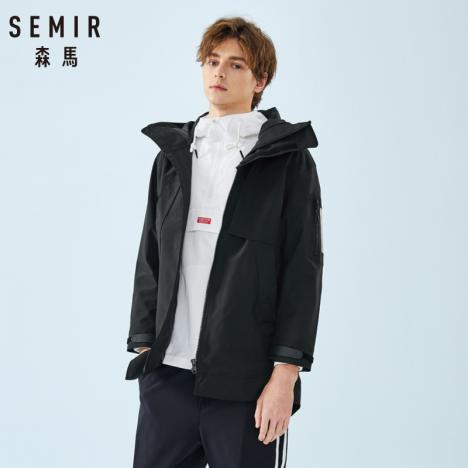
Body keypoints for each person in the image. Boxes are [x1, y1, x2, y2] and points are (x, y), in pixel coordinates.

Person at [125, 16, 323, 468]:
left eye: (236, 65)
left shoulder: (288, 160)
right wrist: (145, 346)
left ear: (260, 80)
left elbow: (303, 269)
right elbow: (150, 255)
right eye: (212, 61)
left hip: (246, 385)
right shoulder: (173, 155)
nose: (219, 73)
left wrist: (285, 375)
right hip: (167, 378)